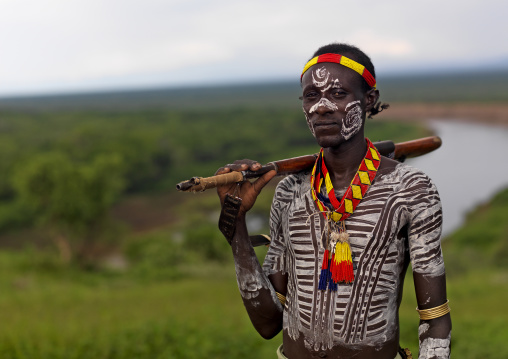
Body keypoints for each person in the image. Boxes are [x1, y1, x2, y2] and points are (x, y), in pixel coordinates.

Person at [215, 43, 451, 359]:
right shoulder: (290, 192)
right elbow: (269, 324)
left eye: (338, 94)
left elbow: (435, 320)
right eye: (311, 96)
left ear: (370, 100)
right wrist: (237, 226)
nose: (321, 107)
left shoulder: (410, 189)